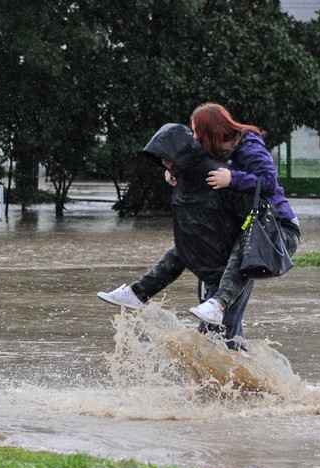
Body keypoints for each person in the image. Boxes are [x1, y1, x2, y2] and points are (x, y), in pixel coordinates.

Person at [97, 122, 256, 345]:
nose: (163, 162)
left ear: (181, 153)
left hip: (228, 268)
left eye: (166, 156)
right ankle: (255, 379)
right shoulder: (184, 178)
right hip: (206, 264)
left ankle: (254, 379)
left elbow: (250, 216)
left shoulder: (219, 176)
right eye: (160, 157)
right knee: (216, 339)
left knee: (219, 339)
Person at [187, 103, 300, 326]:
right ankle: (139, 291)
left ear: (212, 130)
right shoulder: (216, 152)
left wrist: (233, 179)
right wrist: (172, 171)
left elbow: (268, 183)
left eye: (196, 131)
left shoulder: (249, 146)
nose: (194, 137)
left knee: (223, 324)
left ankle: (219, 304)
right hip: (238, 228)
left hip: (276, 228)